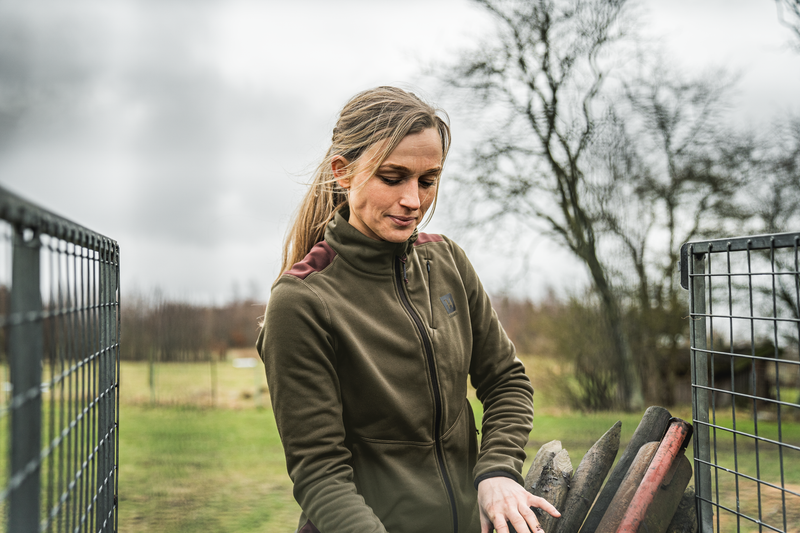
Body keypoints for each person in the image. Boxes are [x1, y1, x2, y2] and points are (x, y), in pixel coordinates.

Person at [257, 86, 559, 533]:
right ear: (343, 172)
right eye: (392, 177)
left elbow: (506, 381)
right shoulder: (301, 301)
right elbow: (321, 475)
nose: (414, 201)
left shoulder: (449, 262)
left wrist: (497, 470)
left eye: (428, 179)